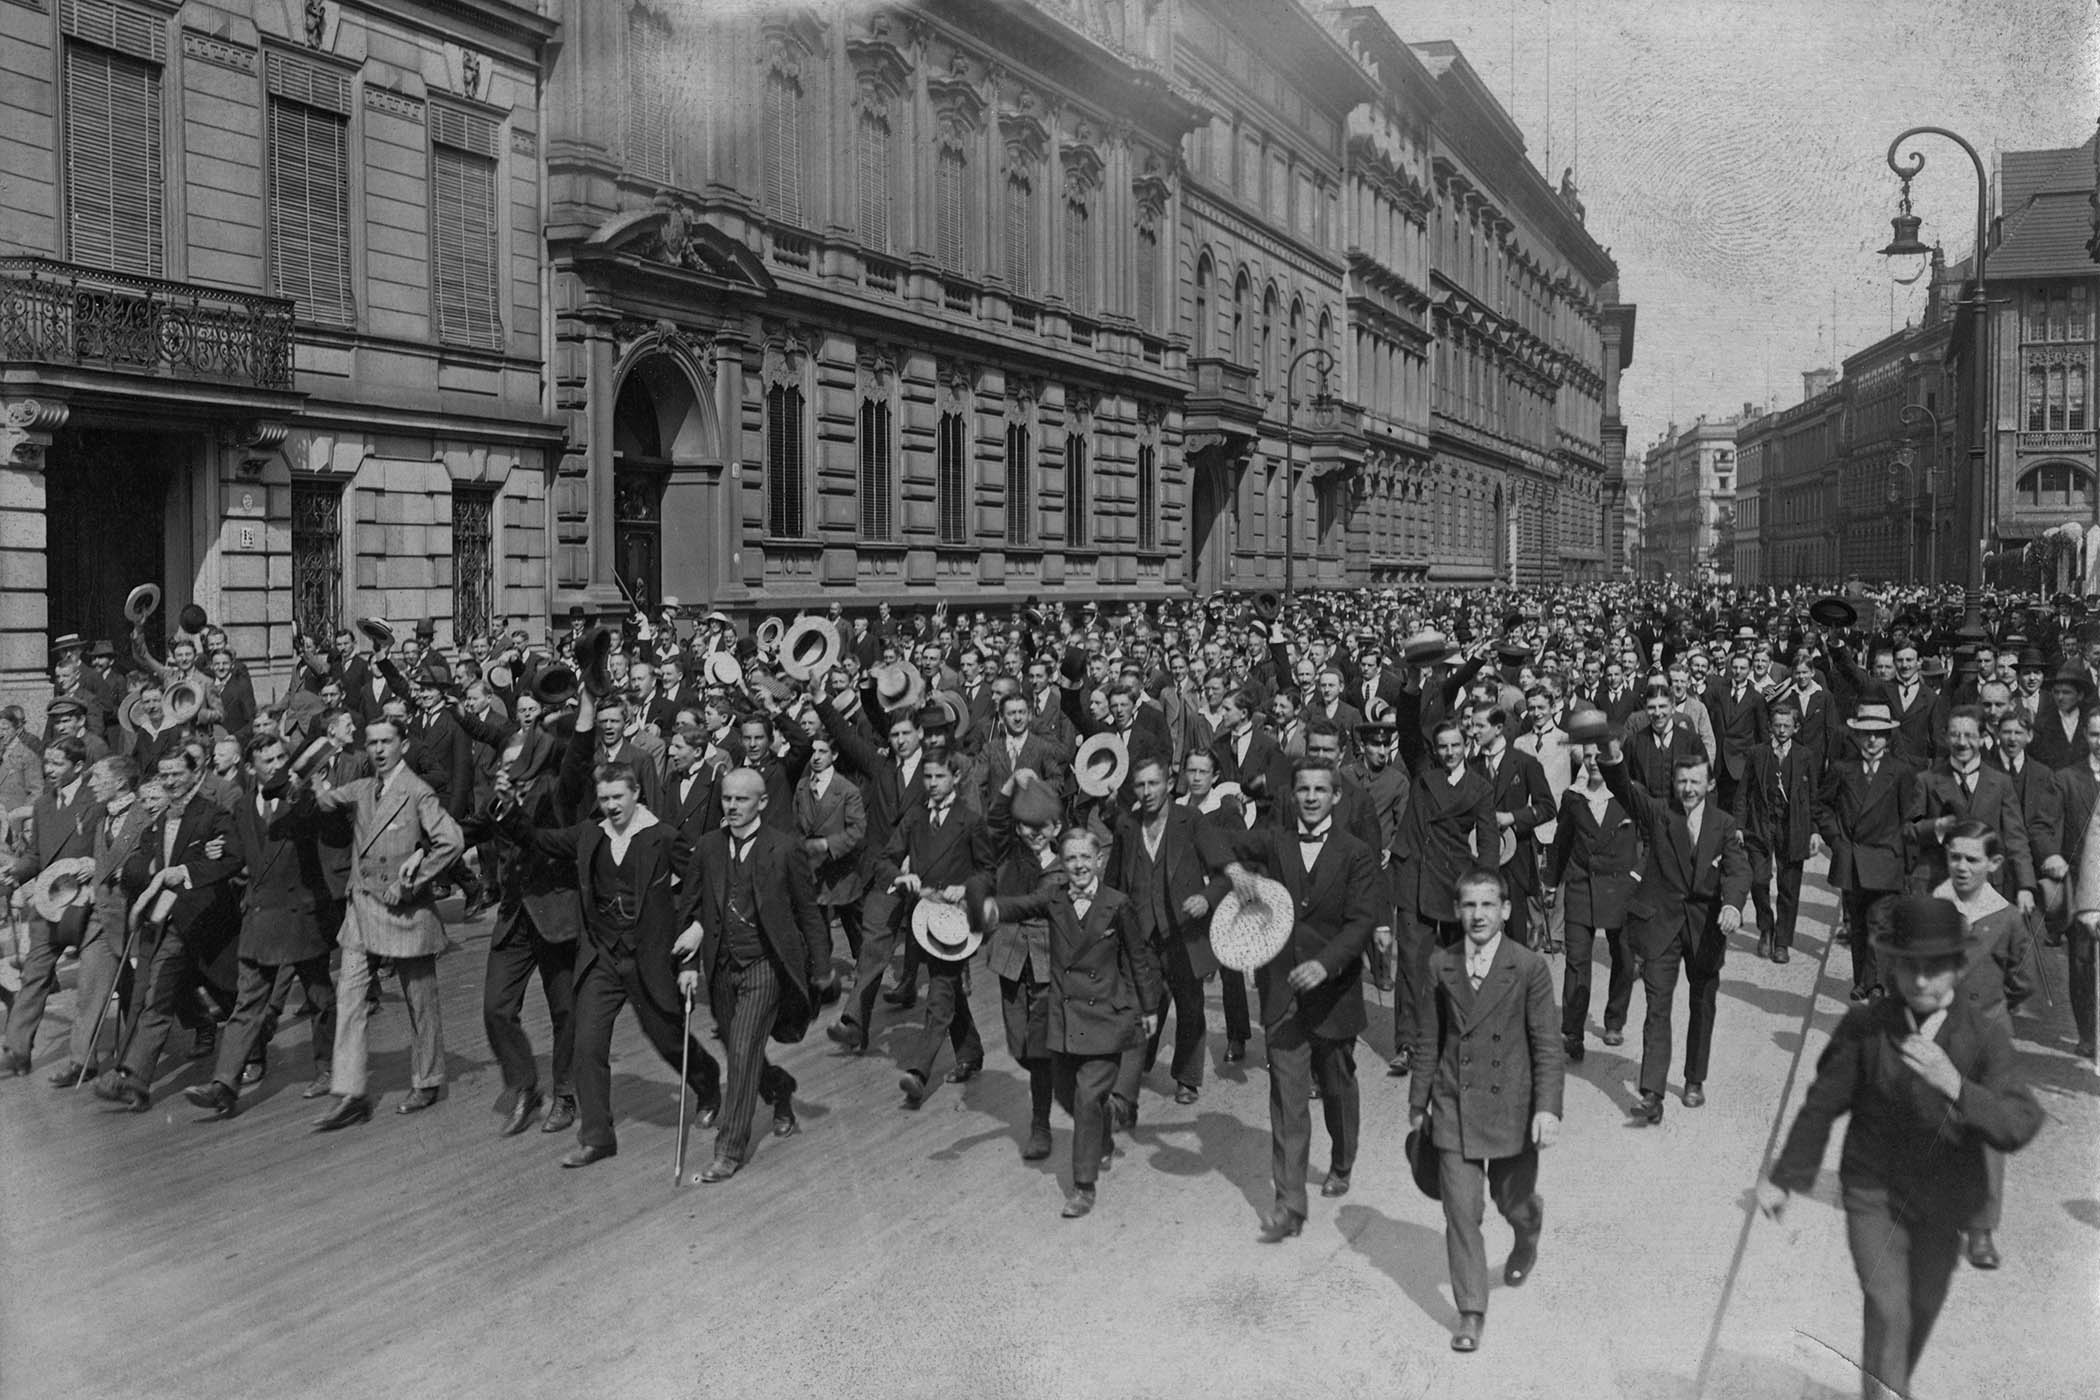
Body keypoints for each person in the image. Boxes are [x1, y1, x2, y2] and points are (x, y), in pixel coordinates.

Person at [1760, 895, 2042, 1400]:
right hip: (1874, 1194)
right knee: (1889, 1305)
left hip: (1946, 1203)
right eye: (1908, 968)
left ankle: (1886, 1387)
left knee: (1920, 1312)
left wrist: (1956, 1085)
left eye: (1934, 969)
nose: (1919, 981)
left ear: (1958, 967)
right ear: (1891, 966)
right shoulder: (1866, 1027)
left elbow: (2020, 1121)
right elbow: (1821, 1106)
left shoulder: (1983, 1036)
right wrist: (1784, 1178)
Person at [501, 761, 720, 1167]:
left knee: (668, 1038)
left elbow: (703, 887)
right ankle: (597, 1137)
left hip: (648, 957)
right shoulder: (590, 834)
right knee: (586, 1045)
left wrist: (696, 930)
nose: (611, 806)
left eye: (618, 797)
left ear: (636, 793)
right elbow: (540, 840)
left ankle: (708, 1087)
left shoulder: (662, 837)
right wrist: (508, 810)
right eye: (604, 799)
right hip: (601, 956)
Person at [1205, 757, 1382, 1240]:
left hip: (1334, 991)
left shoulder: (1355, 853)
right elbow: (1205, 831)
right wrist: (1233, 869)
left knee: (1337, 1084)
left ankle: (1342, 1159)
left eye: (1319, 790)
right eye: (1302, 789)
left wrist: (1326, 964)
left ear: (1335, 796)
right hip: (1282, 990)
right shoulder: (1275, 839)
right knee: (1286, 1098)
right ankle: (1289, 1204)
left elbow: (1362, 920)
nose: (1309, 797)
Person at [1409, 867, 1563, 1354]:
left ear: (1506, 911)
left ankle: (1528, 1227)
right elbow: (1428, 1040)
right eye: (1469, 906)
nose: (1478, 915)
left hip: (1513, 1107)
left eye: (1488, 905)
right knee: (1462, 1212)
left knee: (1511, 1201)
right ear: (1457, 911)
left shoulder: (1529, 966)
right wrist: (1418, 1102)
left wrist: (1548, 1108)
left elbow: (1546, 1045)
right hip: (1454, 1104)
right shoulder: (1441, 965)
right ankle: (1471, 1311)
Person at [983, 826, 1161, 1219]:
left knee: (1084, 1098)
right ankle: (1103, 1130)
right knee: (1066, 1091)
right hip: (1064, 1020)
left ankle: (1083, 1186)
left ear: (1098, 861)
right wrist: (989, 907)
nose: (1079, 865)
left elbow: (1139, 960)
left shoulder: (1117, 904)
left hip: (1104, 1020)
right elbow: (1021, 905)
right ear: (1062, 865)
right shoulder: (1054, 898)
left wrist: (1147, 1011)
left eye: (1086, 858)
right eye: (1071, 859)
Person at [305, 716, 465, 1128]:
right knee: (349, 997)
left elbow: (451, 841)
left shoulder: (417, 791)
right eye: (371, 742)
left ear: (403, 744)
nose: (378, 750)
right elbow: (325, 800)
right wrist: (312, 774)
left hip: (405, 913)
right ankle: (351, 1092)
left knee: (420, 1001)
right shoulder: (361, 788)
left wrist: (410, 883)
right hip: (360, 908)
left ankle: (427, 1080)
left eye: (386, 742)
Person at [672, 767, 825, 1183]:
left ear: (761, 802)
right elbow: (689, 913)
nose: (733, 807)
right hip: (721, 967)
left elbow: (808, 911)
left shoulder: (784, 847)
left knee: (741, 1050)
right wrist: (687, 966)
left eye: (742, 799)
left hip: (766, 966)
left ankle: (728, 1150)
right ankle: (780, 1091)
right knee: (740, 1046)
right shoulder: (707, 848)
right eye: (726, 799)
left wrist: (823, 968)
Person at [181, 735, 338, 1117]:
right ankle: (224, 1085)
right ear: (250, 768)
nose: (276, 764)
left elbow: (323, 824)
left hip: (302, 915)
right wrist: (211, 855)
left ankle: (328, 1068)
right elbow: (238, 856)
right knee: (247, 1005)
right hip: (260, 916)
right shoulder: (242, 805)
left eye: (281, 756)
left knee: (320, 999)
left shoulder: (301, 797)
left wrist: (314, 791)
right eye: (267, 760)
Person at [1600, 739, 1750, 1124]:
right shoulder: (1658, 814)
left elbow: (1738, 870)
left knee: (1702, 1005)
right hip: (1660, 925)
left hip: (1705, 929)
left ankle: (1694, 1078)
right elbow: (1624, 790)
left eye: (1695, 782)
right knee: (1657, 1008)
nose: (1687, 789)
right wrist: (1613, 757)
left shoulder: (1724, 824)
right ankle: (1652, 1093)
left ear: (1710, 784)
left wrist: (1732, 904)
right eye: (1682, 781)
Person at [91, 749, 243, 1110]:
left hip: (208, 923)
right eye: (164, 774)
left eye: (176, 773)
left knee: (231, 993)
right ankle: (136, 1081)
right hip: (169, 924)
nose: (170, 781)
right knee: (157, 997)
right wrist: (158, 865)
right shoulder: (156, 820)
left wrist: (187, 871)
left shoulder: (213, 814)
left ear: (196, 772)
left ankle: (255, 1044)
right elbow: (135, 867)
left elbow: (234, 858)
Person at [1932, 821, 2033, 1271]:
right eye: (1955, 857)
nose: (1962, 867)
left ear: (1993, 864)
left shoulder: (2007, 916)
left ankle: (1981, 1228)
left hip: (1990, 1035)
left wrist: (1992, 1012)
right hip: (1940, 1029)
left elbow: (2022, 979)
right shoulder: (1935, 904)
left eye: (1972, 859)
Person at [889, 751, 991, 1106]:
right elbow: (887, 858)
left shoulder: (971, 821)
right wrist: (902, 876)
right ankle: (970, 1051)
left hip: (956, 921)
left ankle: (918, 1071)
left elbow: (988, 871)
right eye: (927, 778)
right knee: (948, 989)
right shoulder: (915, 817)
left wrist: (967, 888)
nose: (932, 784)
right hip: (921, 918)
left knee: (941, 993)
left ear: (956, 778)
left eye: (939, 777)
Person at [1, 736, 104, 1077]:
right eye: (47, 763)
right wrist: (16, 871)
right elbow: (37, 856)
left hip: (88, 904)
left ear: (78, 767)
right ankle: (17, 1049)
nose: (49, 770)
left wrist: (95, 866)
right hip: (49, 903)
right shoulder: (44, 804)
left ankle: (83, 1059)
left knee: (95, 982)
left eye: (57, 764)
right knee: (34, 975)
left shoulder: (97, 800)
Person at [1816, 703, 1921, 1004]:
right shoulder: (1842, 769)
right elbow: (1822, 806)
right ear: (1857, 737)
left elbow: (1910, 816)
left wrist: (1908, 862)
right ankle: (1862, 980)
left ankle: (1874, 983)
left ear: (1888, 738)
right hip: (1852, 858)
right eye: (1866, 734)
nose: (1872, 740)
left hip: (1887, 858)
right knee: (1858, 923)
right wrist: (1836, 840)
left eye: (1878, 734)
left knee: (1879, 921)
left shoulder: (1901, 772)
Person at [1544, 738, 1638, 1061]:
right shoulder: (1573, 798)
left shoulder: (1627, 795)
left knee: (1624, 957)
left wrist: (1639, 878)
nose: (1593, 761)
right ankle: (1572, 1030)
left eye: (1599, 756)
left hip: (1619, 888)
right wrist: (1551, 883)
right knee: (1577, 961)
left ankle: (1614, 1019)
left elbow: (1650, 840)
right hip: (1582, 886)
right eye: (1587, 756)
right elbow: (1561, 841)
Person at [1733, 702, 1819, 963]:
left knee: (1789, 887)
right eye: (1777, 725)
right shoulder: (1757, 753)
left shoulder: (1805, 756)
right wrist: (1738, 825)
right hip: (1760, 825)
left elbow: (1814, 797)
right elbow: (1743, 792)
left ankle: (1782, 942)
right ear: (1770, 727)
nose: (1781, 731)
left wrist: (1814, 830)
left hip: (1792, 827)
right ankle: (1766, 928)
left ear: (1796, 728)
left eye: (1787, 726)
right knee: (1759, 881)